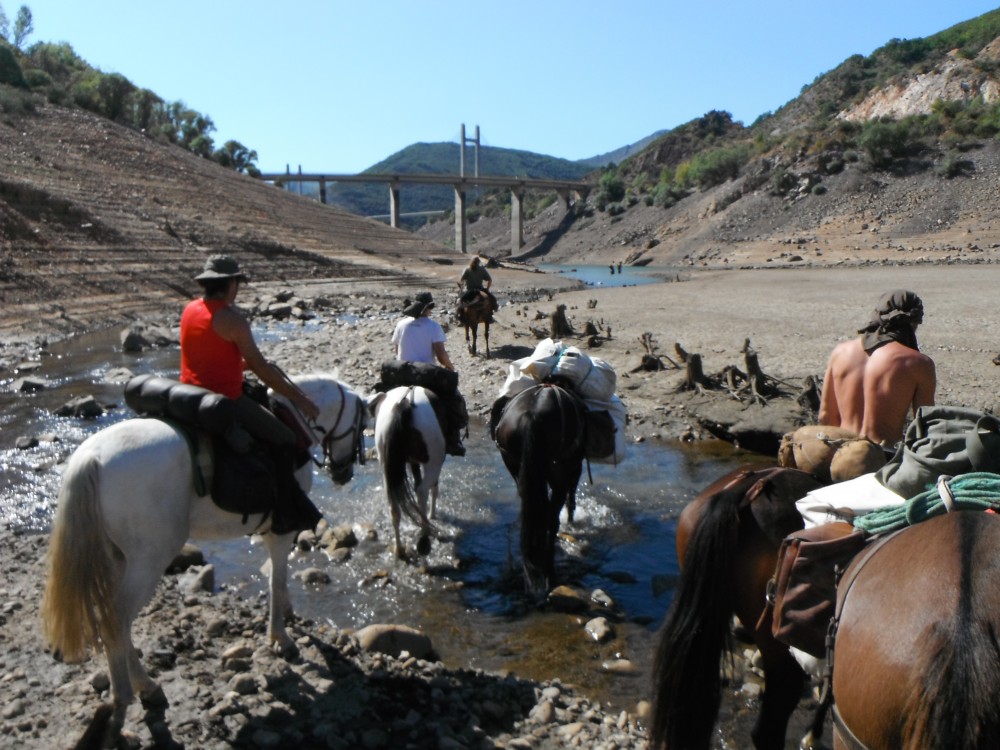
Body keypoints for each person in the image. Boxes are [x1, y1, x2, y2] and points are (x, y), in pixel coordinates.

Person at [180, 254, 322, 534]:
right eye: (237, 283)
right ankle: (284, 512)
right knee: (285, 438)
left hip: (188, 394)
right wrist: (300, 399)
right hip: (224, 399)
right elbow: (261, 369)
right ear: (230, 284)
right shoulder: (232, 320)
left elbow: (203, 354)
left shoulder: (190, 309)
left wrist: (235, 364)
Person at [819, 289, 936, 448]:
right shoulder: (919, 363)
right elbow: (923, 426)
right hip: (883, 456)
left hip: (841, 451)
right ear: (914, 322)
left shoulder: (840, 352)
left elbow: (825, 416)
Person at [391, 291, 468, 456]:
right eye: (431, 306)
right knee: (454, 400)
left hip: (402, 372)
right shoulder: (433, 326)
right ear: (428, 307)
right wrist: (450, 367)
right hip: (425, 375)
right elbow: (440, 354)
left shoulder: (401, 324)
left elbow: (396, 350)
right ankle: (453, 440)